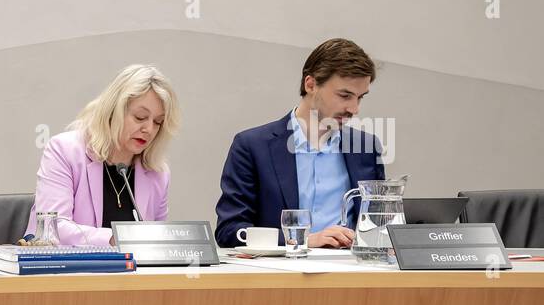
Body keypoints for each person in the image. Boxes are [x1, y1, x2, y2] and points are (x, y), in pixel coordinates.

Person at [215, 38, 385, 249]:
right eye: (344, 95)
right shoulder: (252, 146)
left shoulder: (367, 147)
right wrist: (303, 241)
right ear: (310, 84)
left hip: (353, 277)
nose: (354, 109)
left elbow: (379, 228)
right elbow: (229, 231)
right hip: (280, 277)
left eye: (360, 98)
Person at [25, 64, 179, 245]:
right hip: (69, 271)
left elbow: (158, 244)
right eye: (140, 117)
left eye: (158, 122)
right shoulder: (64, 151)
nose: (149, 129)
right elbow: (53, 230)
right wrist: (116, 239)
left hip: (132, 273)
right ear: (113, 110)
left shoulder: (158, 173)